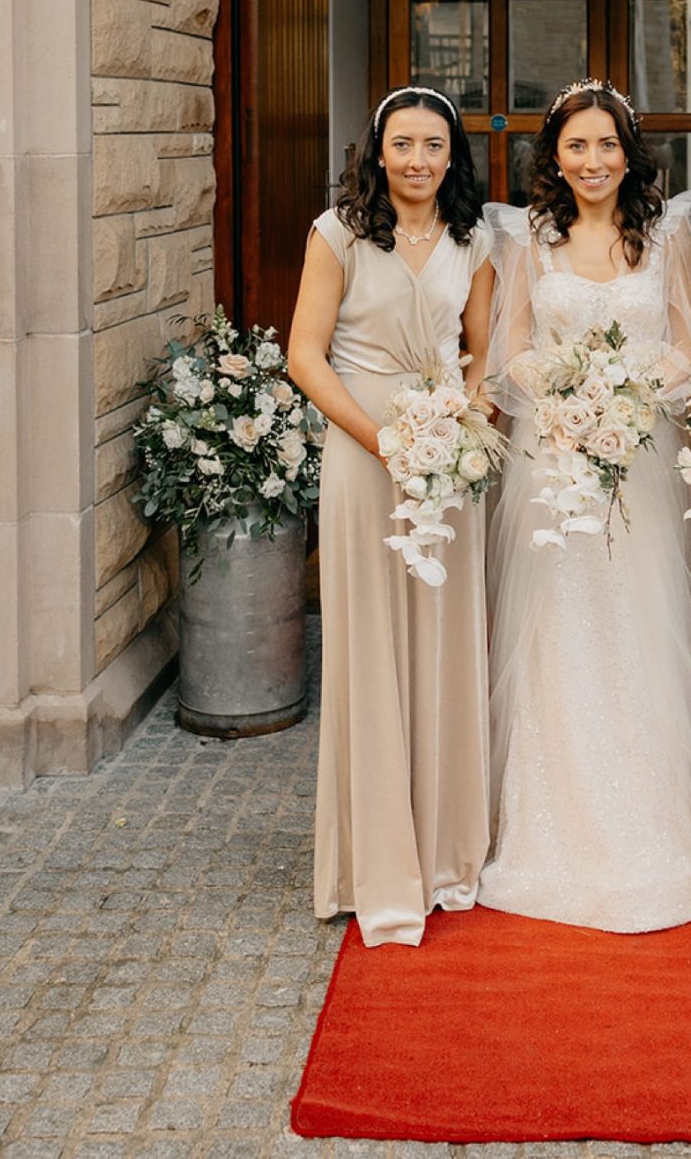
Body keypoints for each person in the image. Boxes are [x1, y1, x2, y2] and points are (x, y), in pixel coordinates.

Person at [477, 81, 691, 931]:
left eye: (606, 145)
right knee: (557, 623)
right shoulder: (526, 240)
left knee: (642, 617)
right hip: (552, 459)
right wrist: (569, 395)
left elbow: (690, 347)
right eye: (576, 146)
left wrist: (628, 392)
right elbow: (509, 351)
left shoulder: (665, 236)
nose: (592, 161)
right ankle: (551, 827)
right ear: (554, 156)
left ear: (627, 153)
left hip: (641, 456)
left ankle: (652, 819)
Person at [287, 87, 495, 948]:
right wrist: (379, 440)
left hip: (445, 452)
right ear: (377, 150)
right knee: (370, 637)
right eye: (402, 144)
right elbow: (304, 355)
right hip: (362, 447)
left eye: (433, 145)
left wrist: (461, 421)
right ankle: (371, 858)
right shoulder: (336, 234)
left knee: (444, 638)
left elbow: (484, 353)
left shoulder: (473, 239)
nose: (417, 160)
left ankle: (444, 851)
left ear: (452, 155)